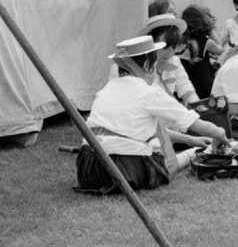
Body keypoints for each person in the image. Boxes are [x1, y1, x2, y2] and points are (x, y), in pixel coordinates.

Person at [76, 36, 229, 194]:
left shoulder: (106, 90)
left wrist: (192, 140)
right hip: (127, 169)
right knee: (157, 145)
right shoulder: (149, 92)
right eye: (155, 65)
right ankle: (189, 156)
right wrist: (220, 133)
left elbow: (146, 130)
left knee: (151, 128)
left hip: (89, 169)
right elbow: (194, 123)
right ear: (148, 65)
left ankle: (192, 151)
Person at [180, 5, 223, 100]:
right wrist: (211, 31)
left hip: (185, 86)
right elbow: (221, 51)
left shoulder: (180, 41)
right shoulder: (206, 42)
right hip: (204, 87)